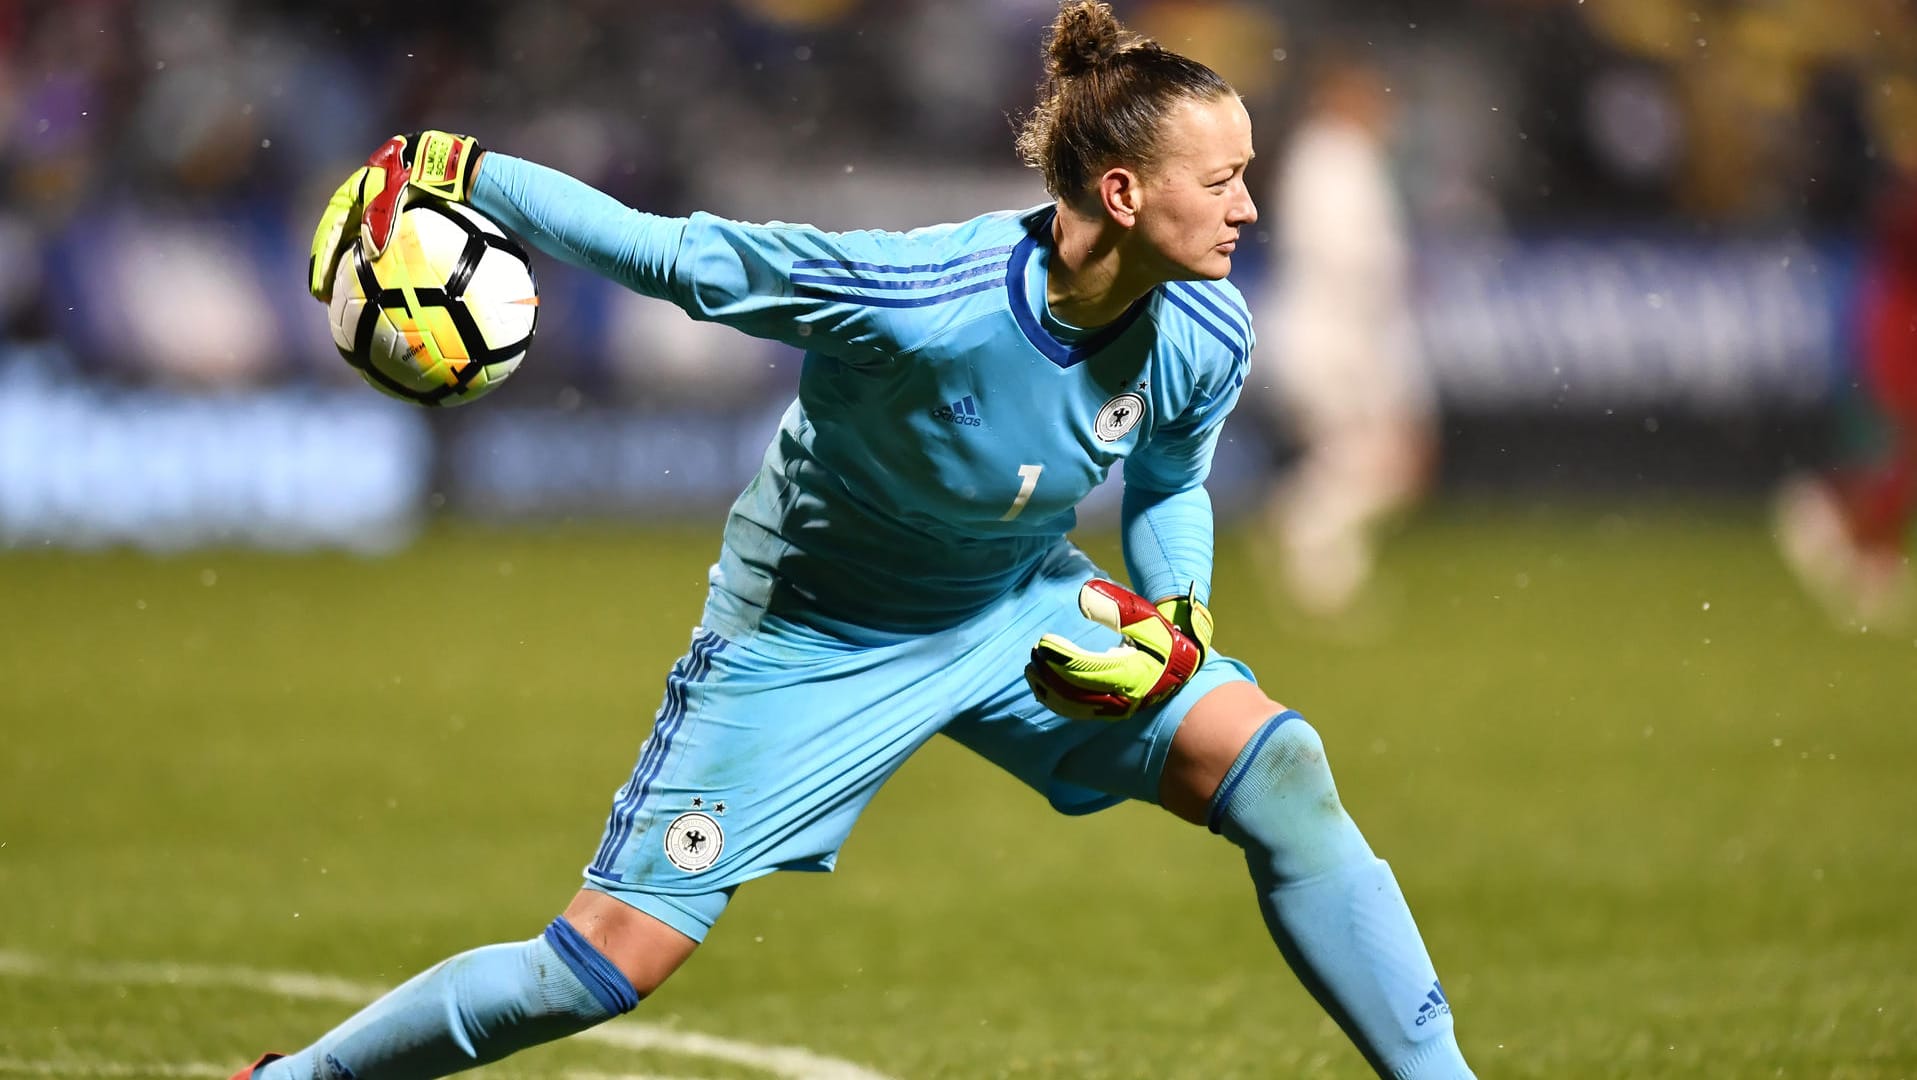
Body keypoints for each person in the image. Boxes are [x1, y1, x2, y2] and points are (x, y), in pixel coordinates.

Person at [238, 5, 1475, 1077]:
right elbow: (679, 260)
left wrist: (1179, 623)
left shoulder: (1205, 326)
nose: (1252, 208)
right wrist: (463, 168)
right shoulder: (916, 301)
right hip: (810, 635)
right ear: (1122, 193)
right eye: (1224, 183)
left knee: (1280, 772)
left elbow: (1166, 485)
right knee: (597, 969)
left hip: (1011, 603)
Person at [1257, 55, 1436, 620]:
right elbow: (1349, 261)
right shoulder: (1332, 159)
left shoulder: (1339, 158)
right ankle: (1309, 545)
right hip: (1334, 335)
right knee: (1378, 459)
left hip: (1340, 332)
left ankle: (1321, 559)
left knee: (1375, 461)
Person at [1774, 166, 1917, 630]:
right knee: (1906, 445)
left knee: (1905, 450)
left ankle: (1870, 548)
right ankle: (1840, 518)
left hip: (1896, 310)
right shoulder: (1904, 198)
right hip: (1902, 316)